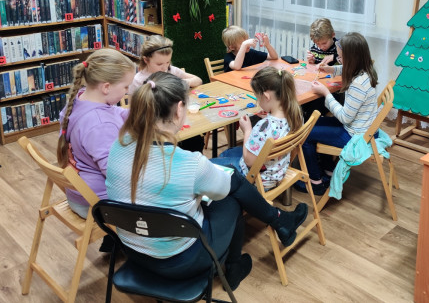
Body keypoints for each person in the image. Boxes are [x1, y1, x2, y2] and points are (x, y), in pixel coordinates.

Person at [105, 72, 308, 290]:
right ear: (179, 109)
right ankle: (249, 250)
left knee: (229, 179)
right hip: (183, 262)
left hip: (133, 252)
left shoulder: (118, 146)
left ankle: (278, 222)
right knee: (233, 190)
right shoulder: (190, 163)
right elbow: (223, 190)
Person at [57, 48, 135, 219]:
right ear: (106, 87)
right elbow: (116, 175)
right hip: (97, 205)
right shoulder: (100, 124)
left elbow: (113, 112)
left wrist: (138, 113)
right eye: (126, 86)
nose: (128, 91)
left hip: (79, 194)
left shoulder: (80, 99)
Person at [296, 33, 378, 195]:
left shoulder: (358, 85)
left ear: (351, 59)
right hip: (360, 127)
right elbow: (344, 68)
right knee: (311, 123)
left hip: (355, 136)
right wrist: (330, 69)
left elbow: (344, 117)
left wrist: (326, 94)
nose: (339, 60)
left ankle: (315, 182)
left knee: (304, 133)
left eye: (340, 57)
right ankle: (328, 169)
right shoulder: (365, 70)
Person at [211, 66, 303, 190]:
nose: (258, 102)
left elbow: (249, 161)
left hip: (257, 180)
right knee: (227, 153)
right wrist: (269, 116)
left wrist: (247, 130)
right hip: (277, 172)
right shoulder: (296, 115)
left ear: (266, 96)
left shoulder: (264, 127)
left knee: (209, 165)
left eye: (257, 98)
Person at [129, 35, 202, 94]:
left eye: (168, 62)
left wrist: (184, 82)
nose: (164, 68)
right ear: (146, 60)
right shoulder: (137, 81)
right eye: (159, 64)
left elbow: (198, 80)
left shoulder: (171, 70)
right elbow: (133, 106)